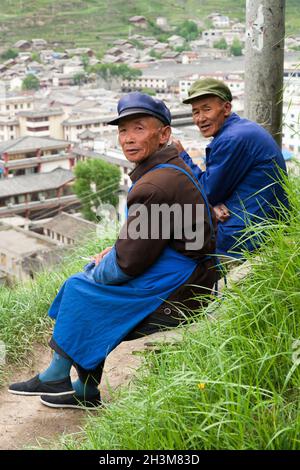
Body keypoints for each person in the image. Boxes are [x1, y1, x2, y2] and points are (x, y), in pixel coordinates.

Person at [8, 92, 217, 409]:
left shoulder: (155, 184)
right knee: (86, 288)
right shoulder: (169, 168)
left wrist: (98, 269)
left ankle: (60, 377)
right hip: (188, 269)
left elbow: (128, 264)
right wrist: (117, 248)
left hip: (181, 286)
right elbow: (156, 233)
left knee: (83, 288)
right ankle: (84, 390)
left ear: (163, 134)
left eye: (139, 128)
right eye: (123, 130)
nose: (128, 139)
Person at [174, 78, 288, 259]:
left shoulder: (231, 139)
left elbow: (207, 191)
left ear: (226, 109)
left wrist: (182, 157)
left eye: (206, 109)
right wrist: (213, 204)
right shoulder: (239, 130)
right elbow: (218, 189)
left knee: (171, 235)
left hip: (245, 235)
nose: (200, 118)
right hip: (260, 223)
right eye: (195, 112)